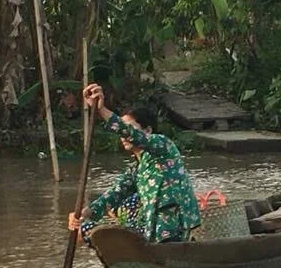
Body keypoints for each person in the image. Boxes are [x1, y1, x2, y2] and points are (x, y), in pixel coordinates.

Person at [67, 83, 201, 244]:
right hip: (152, 227)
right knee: (85, 227)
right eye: (123, 131)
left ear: (147, 130)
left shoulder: (163, 146)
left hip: (171, 227)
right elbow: (115, 194)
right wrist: (84, 214)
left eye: (130, 128)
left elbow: (130, 133)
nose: (123, 136)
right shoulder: (137, 168)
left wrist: (101, 110)